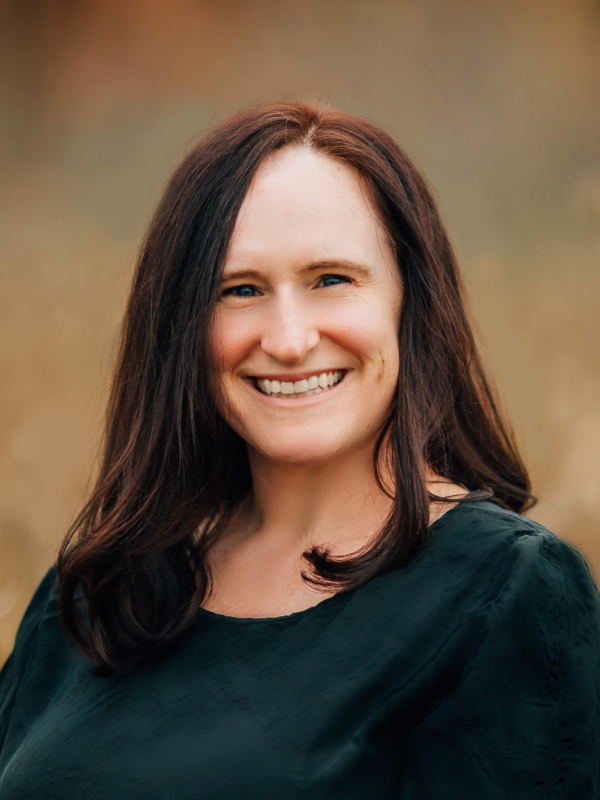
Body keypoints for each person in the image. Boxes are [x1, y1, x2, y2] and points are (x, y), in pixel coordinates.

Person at [0, 100, 598, 798]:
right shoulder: (100, 588)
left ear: (410, 302)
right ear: (183, 329)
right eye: (241, 289)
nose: (287, 339)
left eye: (331, 280)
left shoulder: (510, 592)